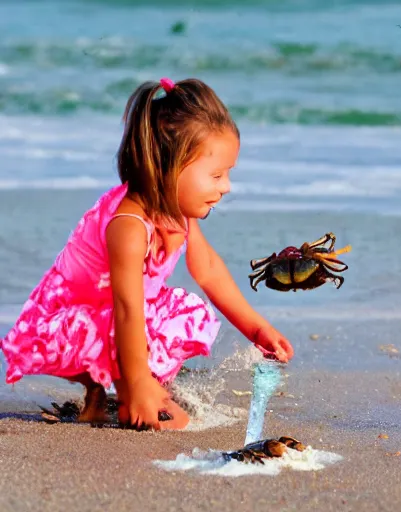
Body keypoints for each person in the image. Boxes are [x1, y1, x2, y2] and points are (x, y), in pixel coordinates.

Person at [0, 77, 294, 431]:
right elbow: (125, 309)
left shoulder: (175, 210)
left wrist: (256, 328)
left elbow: (209, 270)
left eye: (227, 174)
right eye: (216, 175)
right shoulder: (128, 225)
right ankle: (126, 393)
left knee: (189, 311)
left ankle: (108, 392)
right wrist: (137, 382)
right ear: (167, 166)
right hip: (64, 327)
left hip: (116, 318)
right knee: (130, 329)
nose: (226, 186)